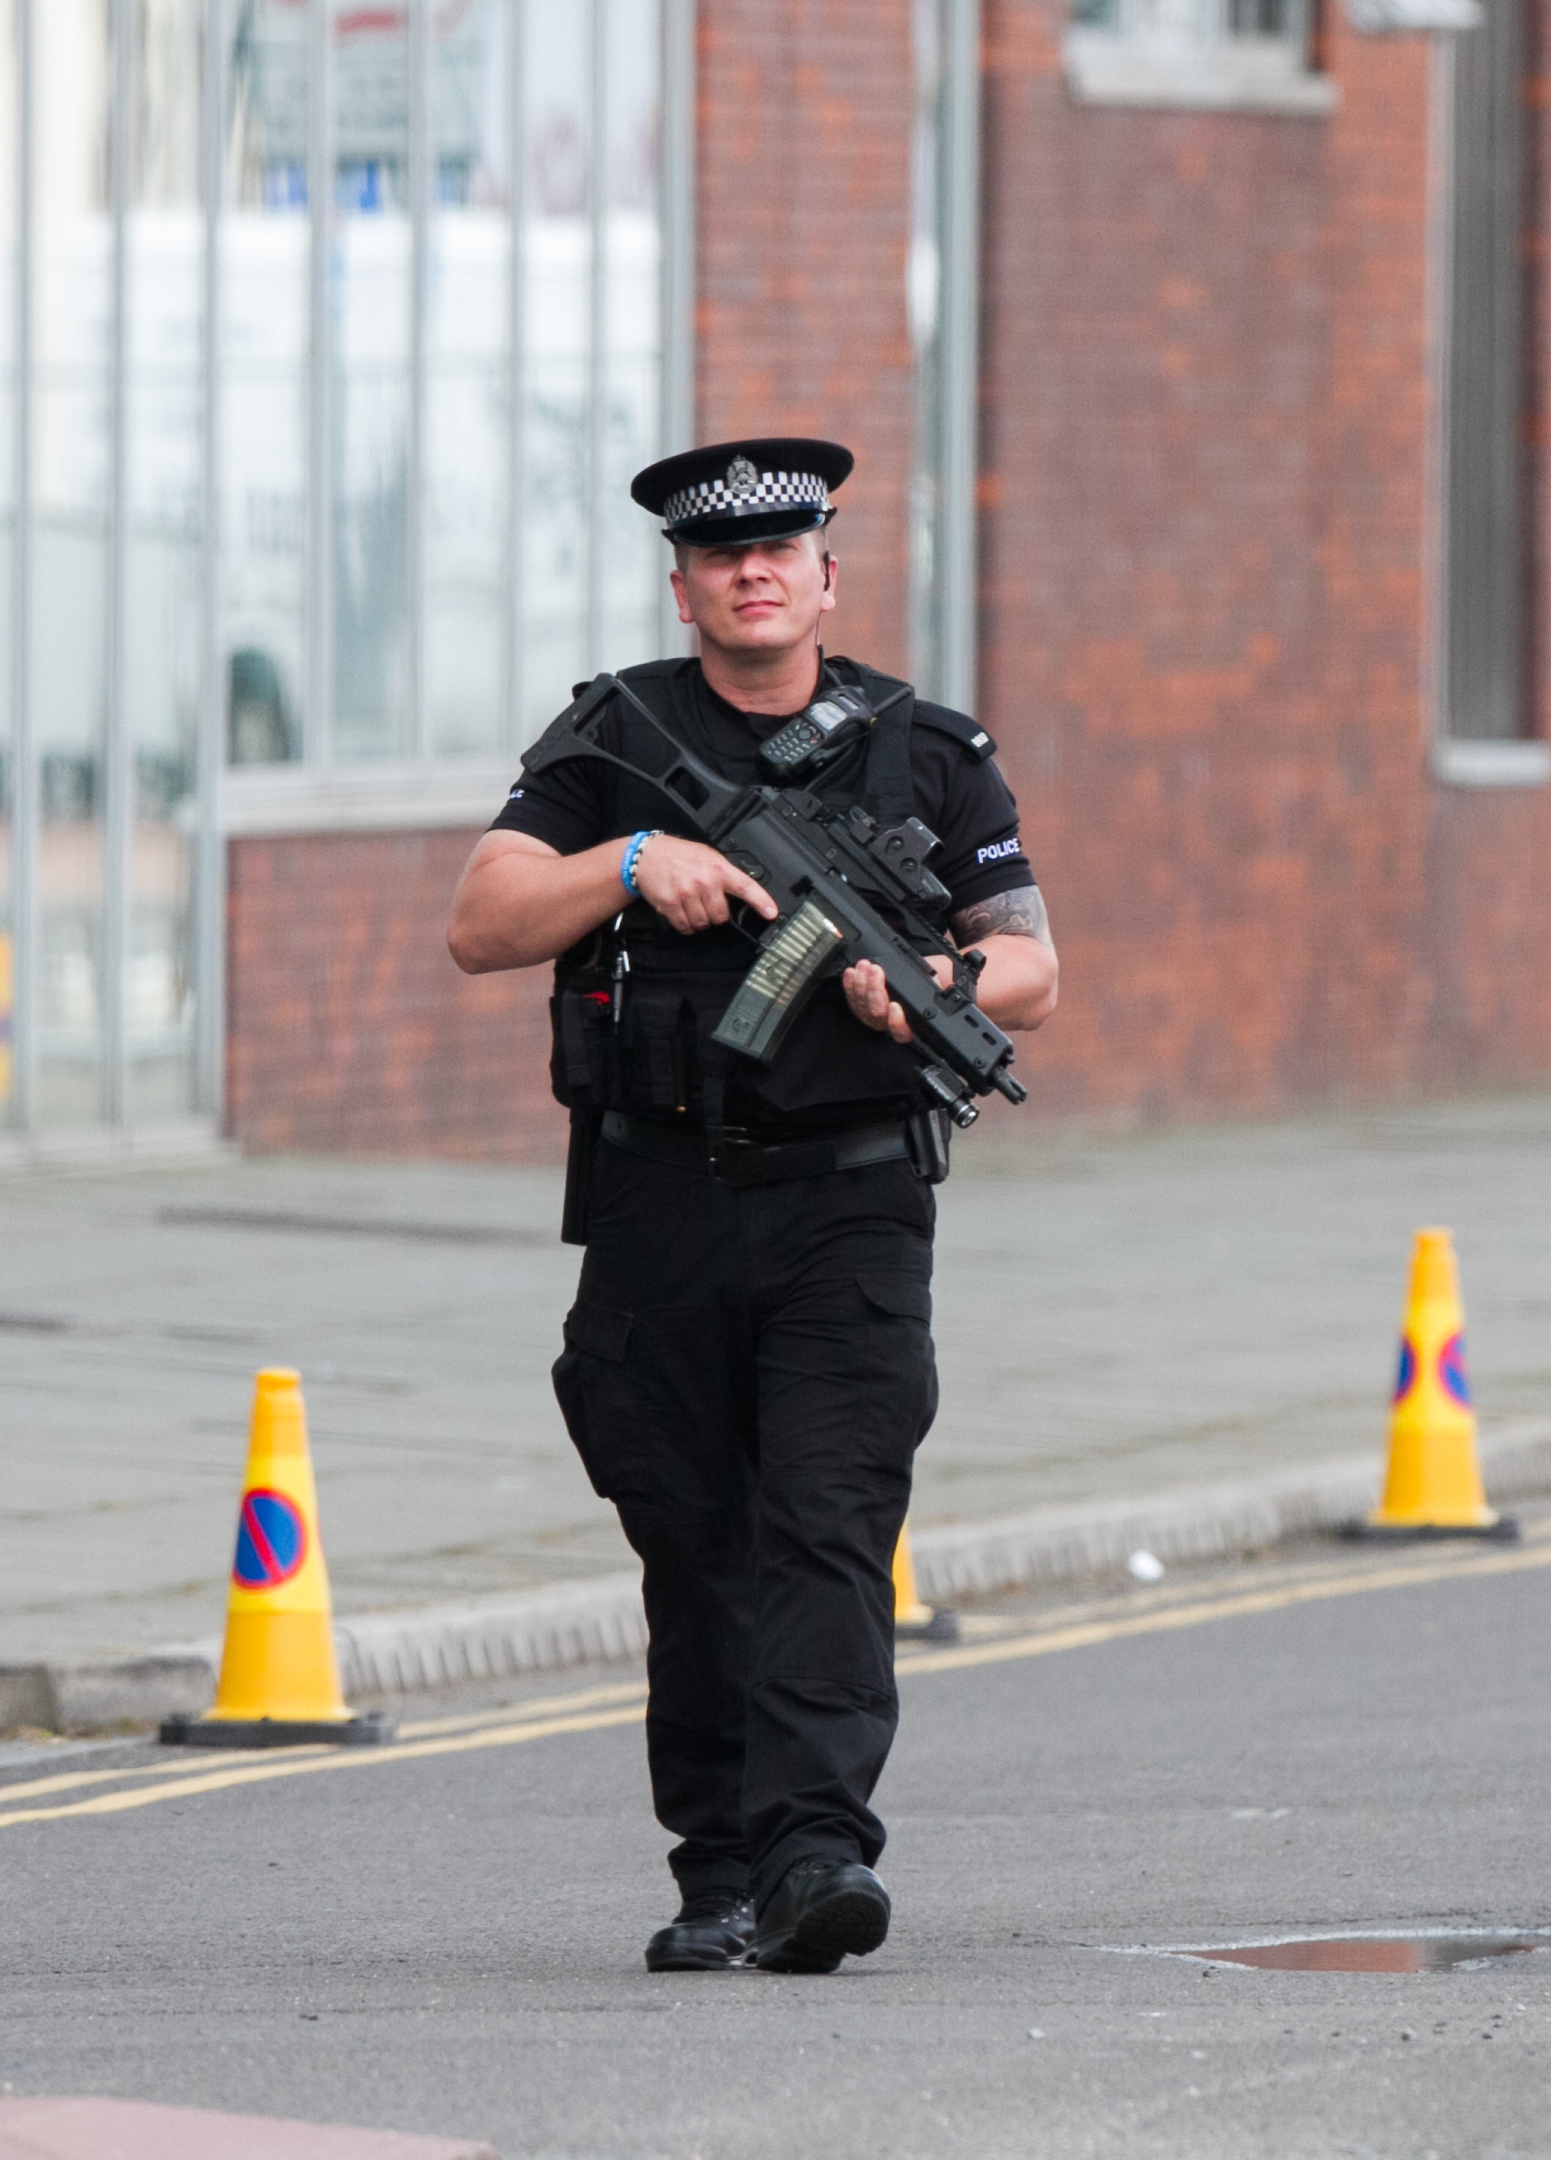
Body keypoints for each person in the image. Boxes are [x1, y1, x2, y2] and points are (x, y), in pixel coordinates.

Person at [444, 439, 1060, 1976]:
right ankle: (716, 1866)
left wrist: (934, 989)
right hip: (659, 1198)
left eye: (783, 549)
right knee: (696, 1541)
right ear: (686, 583)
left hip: (850, 1205)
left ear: (827, 576)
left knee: (830, 1529)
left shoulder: (930, 750)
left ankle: (814, 1861)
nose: (754, 572)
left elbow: (1033, 971)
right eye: (723, 557)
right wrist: (634, 860)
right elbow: (481, 922)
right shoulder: (614, 735)